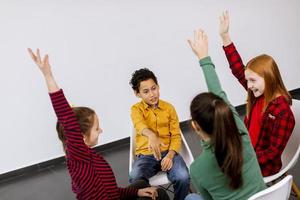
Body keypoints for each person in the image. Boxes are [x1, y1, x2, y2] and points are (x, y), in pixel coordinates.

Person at [28, 48, 170, 200]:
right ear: (81, 137)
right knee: (159, 194)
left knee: (141, 184)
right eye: (96, 128)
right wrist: (48, 75)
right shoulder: (79, 156)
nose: (101, 130)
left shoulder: (87, 156)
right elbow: (65, 116)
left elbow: (111, 192)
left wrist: (136, 192)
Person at [185, 28, 266, 200]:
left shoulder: (198, 169)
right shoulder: (243, 136)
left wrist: (202, 57)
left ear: (195, 126)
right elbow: (219, 93)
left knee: (191, 198)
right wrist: (203, 57)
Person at [219, 11, 295, 176]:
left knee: (221, 177)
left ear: (268, 78)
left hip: (261, 166)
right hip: (247, 150)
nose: (249, 86)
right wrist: (225, 37)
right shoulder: (257, 94)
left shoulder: (282, 113)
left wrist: (243, 158)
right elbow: (238, 68)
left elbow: (273, 153)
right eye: (248, 81)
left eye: (253, 80)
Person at [129, 68, 190, 200]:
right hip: (145, 156)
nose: (152, 94)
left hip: (168, 152)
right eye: (146, 91)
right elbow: (140, 125)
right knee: (135, 178)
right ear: (137, 93)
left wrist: (170, 155)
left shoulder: (169, 108)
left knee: (183, 177)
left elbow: (175, 135)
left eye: (154, 88)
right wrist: (151, 135)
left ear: (158, 86)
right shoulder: (136, 110)